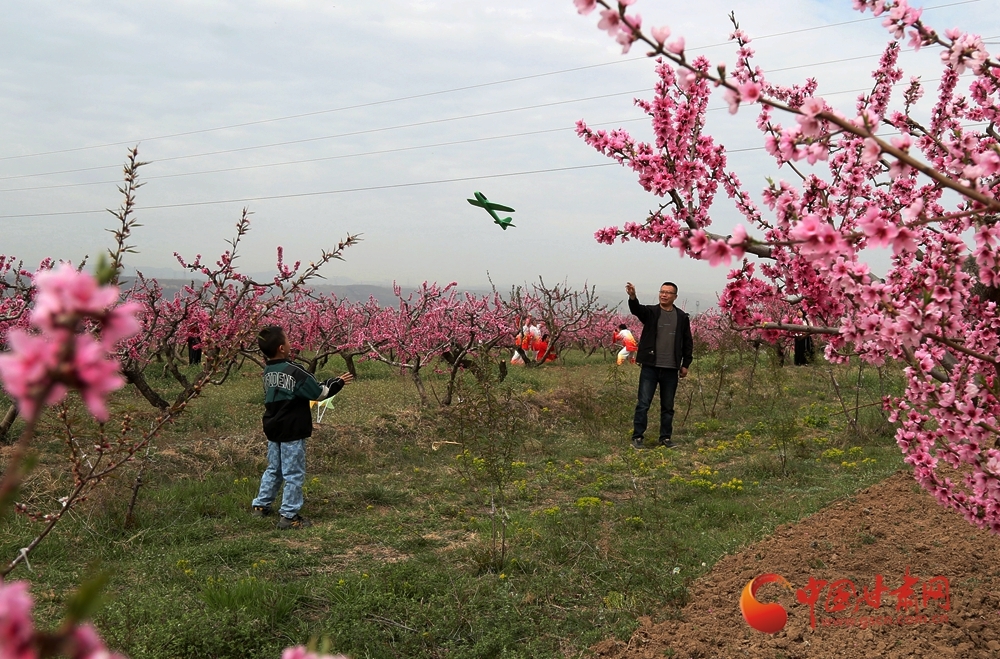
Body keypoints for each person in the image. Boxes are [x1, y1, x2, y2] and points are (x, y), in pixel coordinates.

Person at [251, 325, 353, 529]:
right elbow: (319, 393)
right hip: (292, 429)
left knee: (274, 468)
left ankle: (261, 505)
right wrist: (337, 382)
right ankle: (289, 515)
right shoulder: (294, 370)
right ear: (281, 347)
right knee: (293, 472)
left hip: (273, 427)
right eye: (288, 340)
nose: (291, 343)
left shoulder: (268, 371)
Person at [626, 281, 693, 449]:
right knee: (643, 403)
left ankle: (665, 438)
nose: (664, 295)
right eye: (662, 291)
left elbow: (687, 342)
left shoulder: (682, 317)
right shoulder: (651, 312)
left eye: (668, 292)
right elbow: (636, 310)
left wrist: (686, 363)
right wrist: (633, 296)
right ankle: (638, 437)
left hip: (671, 368)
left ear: (675, 297)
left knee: (668, 406)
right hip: (650, 366)